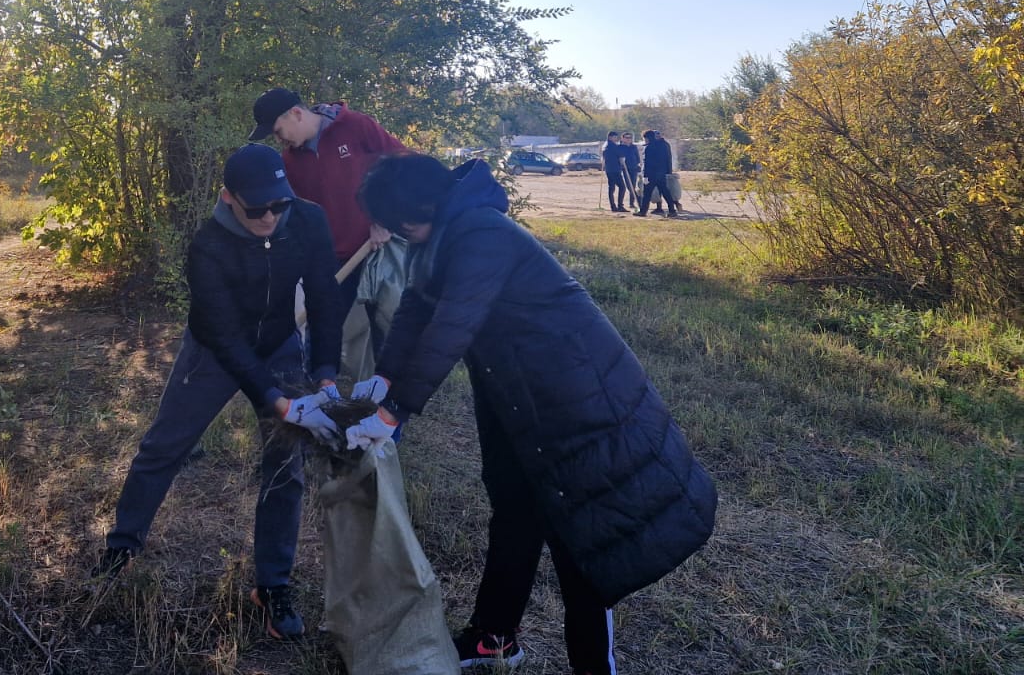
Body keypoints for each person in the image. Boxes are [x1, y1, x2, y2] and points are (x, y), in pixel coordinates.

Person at [346, 153, 717, 675]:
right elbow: (417, 305)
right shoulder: (441, 233)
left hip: (572, 395)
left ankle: (594, 666)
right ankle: (495, 638)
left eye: (400, 225)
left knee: (580, 536)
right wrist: (385, 376)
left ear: (418, 211)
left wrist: (395, 411)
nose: (400, 235)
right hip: (512, 390)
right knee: (514, 509)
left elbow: (454, 324)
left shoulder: (482, 233)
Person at [93, 144, 346, 642]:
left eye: (279, 204)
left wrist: (325, 374)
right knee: (164, 446)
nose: (270, 217)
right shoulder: (208, 245)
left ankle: (272, 585)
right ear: (229, 197)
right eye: (257, 209)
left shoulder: (307, 220)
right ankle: (121, 548)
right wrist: (275, 400)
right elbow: (224, 336)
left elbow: (324, 297)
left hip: (279, 346)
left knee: (286, 467)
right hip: (213, 351)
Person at [248, 87, 413, 380]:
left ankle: (388, 397)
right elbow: (294, 214)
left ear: (296, 114)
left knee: (387, 322)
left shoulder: (356, 126)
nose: (279, 139)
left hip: (378, 247)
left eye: (277, 131)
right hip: (333, 257)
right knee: (323, 325)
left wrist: (386, 217)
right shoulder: (290, 162)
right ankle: (319, 390)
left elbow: (407, 165)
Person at [637, 129, 680, 218]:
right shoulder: (662, 146)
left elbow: (647, 163)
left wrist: (645, 176)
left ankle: (643, 211)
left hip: (651, 174)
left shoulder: (648, 148)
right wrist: (667, 171)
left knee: (647, 194)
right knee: (665, 192)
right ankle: (672, 210)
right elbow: (666, 159)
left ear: (647, 138)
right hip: (661, 173)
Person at [601, 131, 630, 213]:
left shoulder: (605, 145)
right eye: (615, 137)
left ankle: (613, 206)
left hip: (609, 169)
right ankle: (619, 206)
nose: (616, 139)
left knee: (612, 188)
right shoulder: (612, 146)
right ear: (610, 137)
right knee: (622, 187)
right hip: (614, 170)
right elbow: (620, 154)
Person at [619, 130, 641, 211]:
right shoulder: (620, 147)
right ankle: (639, 200)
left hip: (634, 168)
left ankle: (632, 203)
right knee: (629, 186)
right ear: (623, 138)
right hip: (626, 169)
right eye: (627, 137)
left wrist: (638, 165)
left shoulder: (634, 147)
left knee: (633, 185)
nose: (628, 139)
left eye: (630, 137)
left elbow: (637, 157)